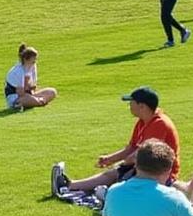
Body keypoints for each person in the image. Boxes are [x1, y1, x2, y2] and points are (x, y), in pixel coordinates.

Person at [50, 86, 178, 207]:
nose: (129, 105)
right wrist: (110, 159)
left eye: (131, 102)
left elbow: (144, 152)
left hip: (159, 173)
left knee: (122, 176)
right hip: (146, 166)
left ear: (142, 106)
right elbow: (131, 148)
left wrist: (126, 162)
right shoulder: (142, 122)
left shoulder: (159, 124)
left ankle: (110, 197)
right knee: (114, 173)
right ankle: (70, 185)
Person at [5, 43, 58, 110]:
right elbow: (21, 93)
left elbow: (33, 87)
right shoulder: (18, 71)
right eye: (33, 60)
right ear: (26, 59)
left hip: (29, 95)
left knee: (52, 92)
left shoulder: (33, 67)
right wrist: (31, 92)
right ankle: (37, 102)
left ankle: (37, 102)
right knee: (26, 100)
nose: (35, 62)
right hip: (16, 97)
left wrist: (32, 91)